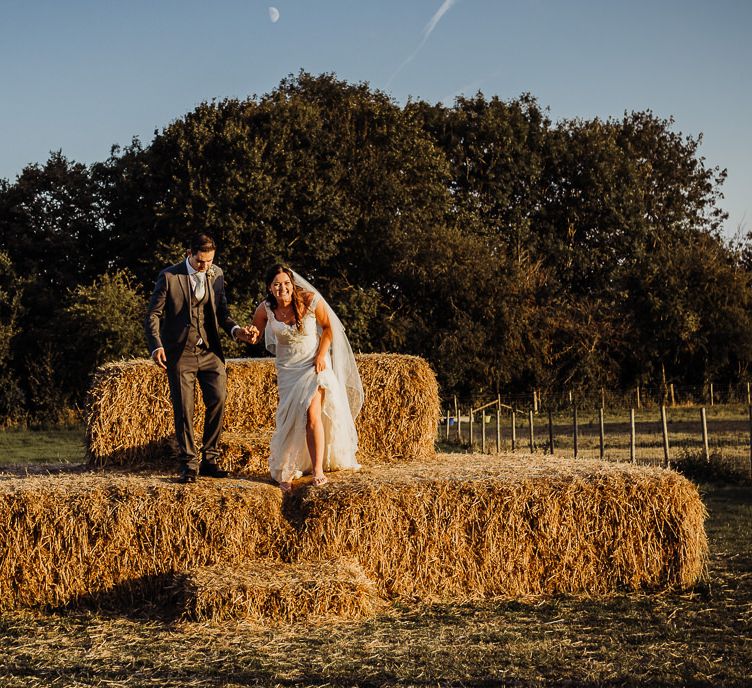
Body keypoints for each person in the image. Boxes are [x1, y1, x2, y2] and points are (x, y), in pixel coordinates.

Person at [145, 233, 253, 483]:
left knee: (218, 399)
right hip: (180, 353)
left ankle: (210, 459)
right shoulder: (170, 276)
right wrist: (156, 346)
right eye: (200, 262)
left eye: (210, 261)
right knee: (184, 408)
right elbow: (153, 314)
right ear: (189, 254)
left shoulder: (217, 274)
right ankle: (188, 465)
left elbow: (222, 313)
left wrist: (237, 332)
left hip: (210, 352)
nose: (205, 266)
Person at [247, 264, 363, 491]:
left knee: (312, 415)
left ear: (293, 284)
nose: (283, 288)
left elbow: (330, 328)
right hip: (287, 371)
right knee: (289, 419)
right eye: (277, 284)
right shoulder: (265, 310)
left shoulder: (310, 300)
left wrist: (321, 354)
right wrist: (246, 333)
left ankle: (317, 469)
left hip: (313, 365)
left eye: (286, 283)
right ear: (270, 288)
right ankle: (287, 469)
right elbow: (254, 336)